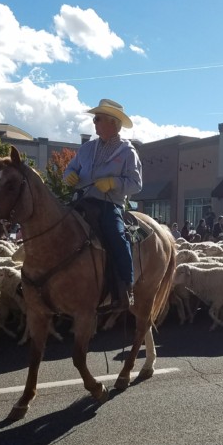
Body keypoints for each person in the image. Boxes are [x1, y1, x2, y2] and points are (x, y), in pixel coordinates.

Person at [63, 98, 141, 311]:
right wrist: (68, 175)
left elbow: (136, 184)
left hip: (109, 205)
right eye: (95, 119)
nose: (95, 122)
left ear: (113, 123)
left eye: (98, 119)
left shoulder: (127, 152)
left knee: (116, 235)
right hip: (81, 201)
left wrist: (113, 183)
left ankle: (126, 288)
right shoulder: (87, 148)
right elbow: (70, 168)